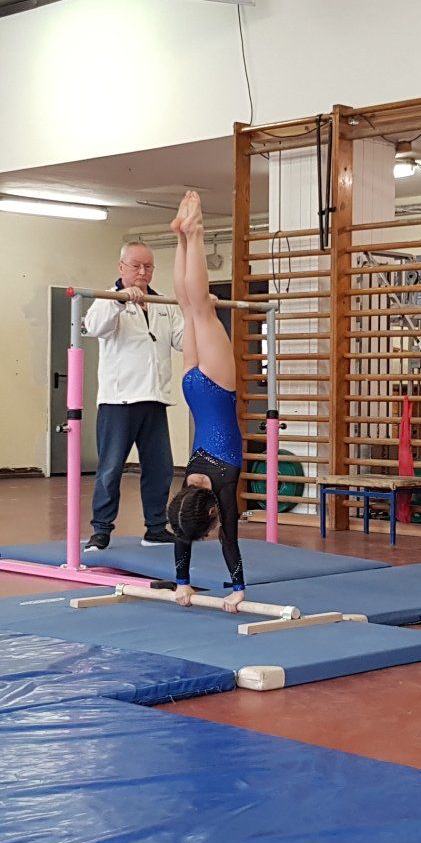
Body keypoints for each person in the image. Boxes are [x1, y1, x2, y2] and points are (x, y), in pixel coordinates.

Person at [164, 191, 249, 614]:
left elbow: (229, 538)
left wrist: (239, 589)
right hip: (193, 390)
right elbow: (183, 533)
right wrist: (180, 583)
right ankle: (182, 239)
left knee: (200, 308)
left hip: (216, 389)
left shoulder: (223, 486)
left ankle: (194, 233)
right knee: (188, 307)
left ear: (213, 509)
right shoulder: (187, 486)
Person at [81, 240, 186, 550]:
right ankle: (101, 530)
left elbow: (182, 340)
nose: (143, 272)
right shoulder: (107, 298)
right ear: (121, 267)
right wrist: (120, 300)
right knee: (111, 469)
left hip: (154, 399)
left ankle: (156, 528)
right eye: (136, 266)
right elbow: (94, 327)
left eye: (148, 266)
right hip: (119, 401)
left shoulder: (163, 304)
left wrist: (200, 312)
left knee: (160, 469)